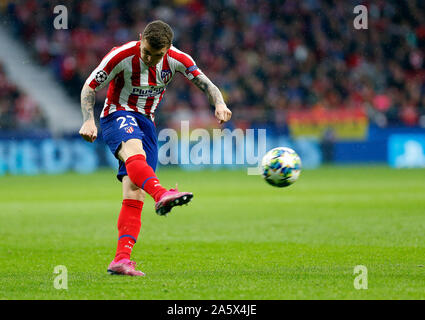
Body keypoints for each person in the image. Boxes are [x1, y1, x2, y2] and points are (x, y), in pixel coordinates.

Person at [78, 20, 232, 276]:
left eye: (157, 55)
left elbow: (207, 84)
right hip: (117, 114)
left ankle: (121, 260)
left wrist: (219, 104)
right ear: (141, 38)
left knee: (135, 192)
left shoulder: (178, 59)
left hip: (147, 122)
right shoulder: (122, 55)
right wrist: (87, 119)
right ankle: (160, 193)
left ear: (168, 48)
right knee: (134, 156)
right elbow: (90, 85)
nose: (149, 58)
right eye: (146, 51)